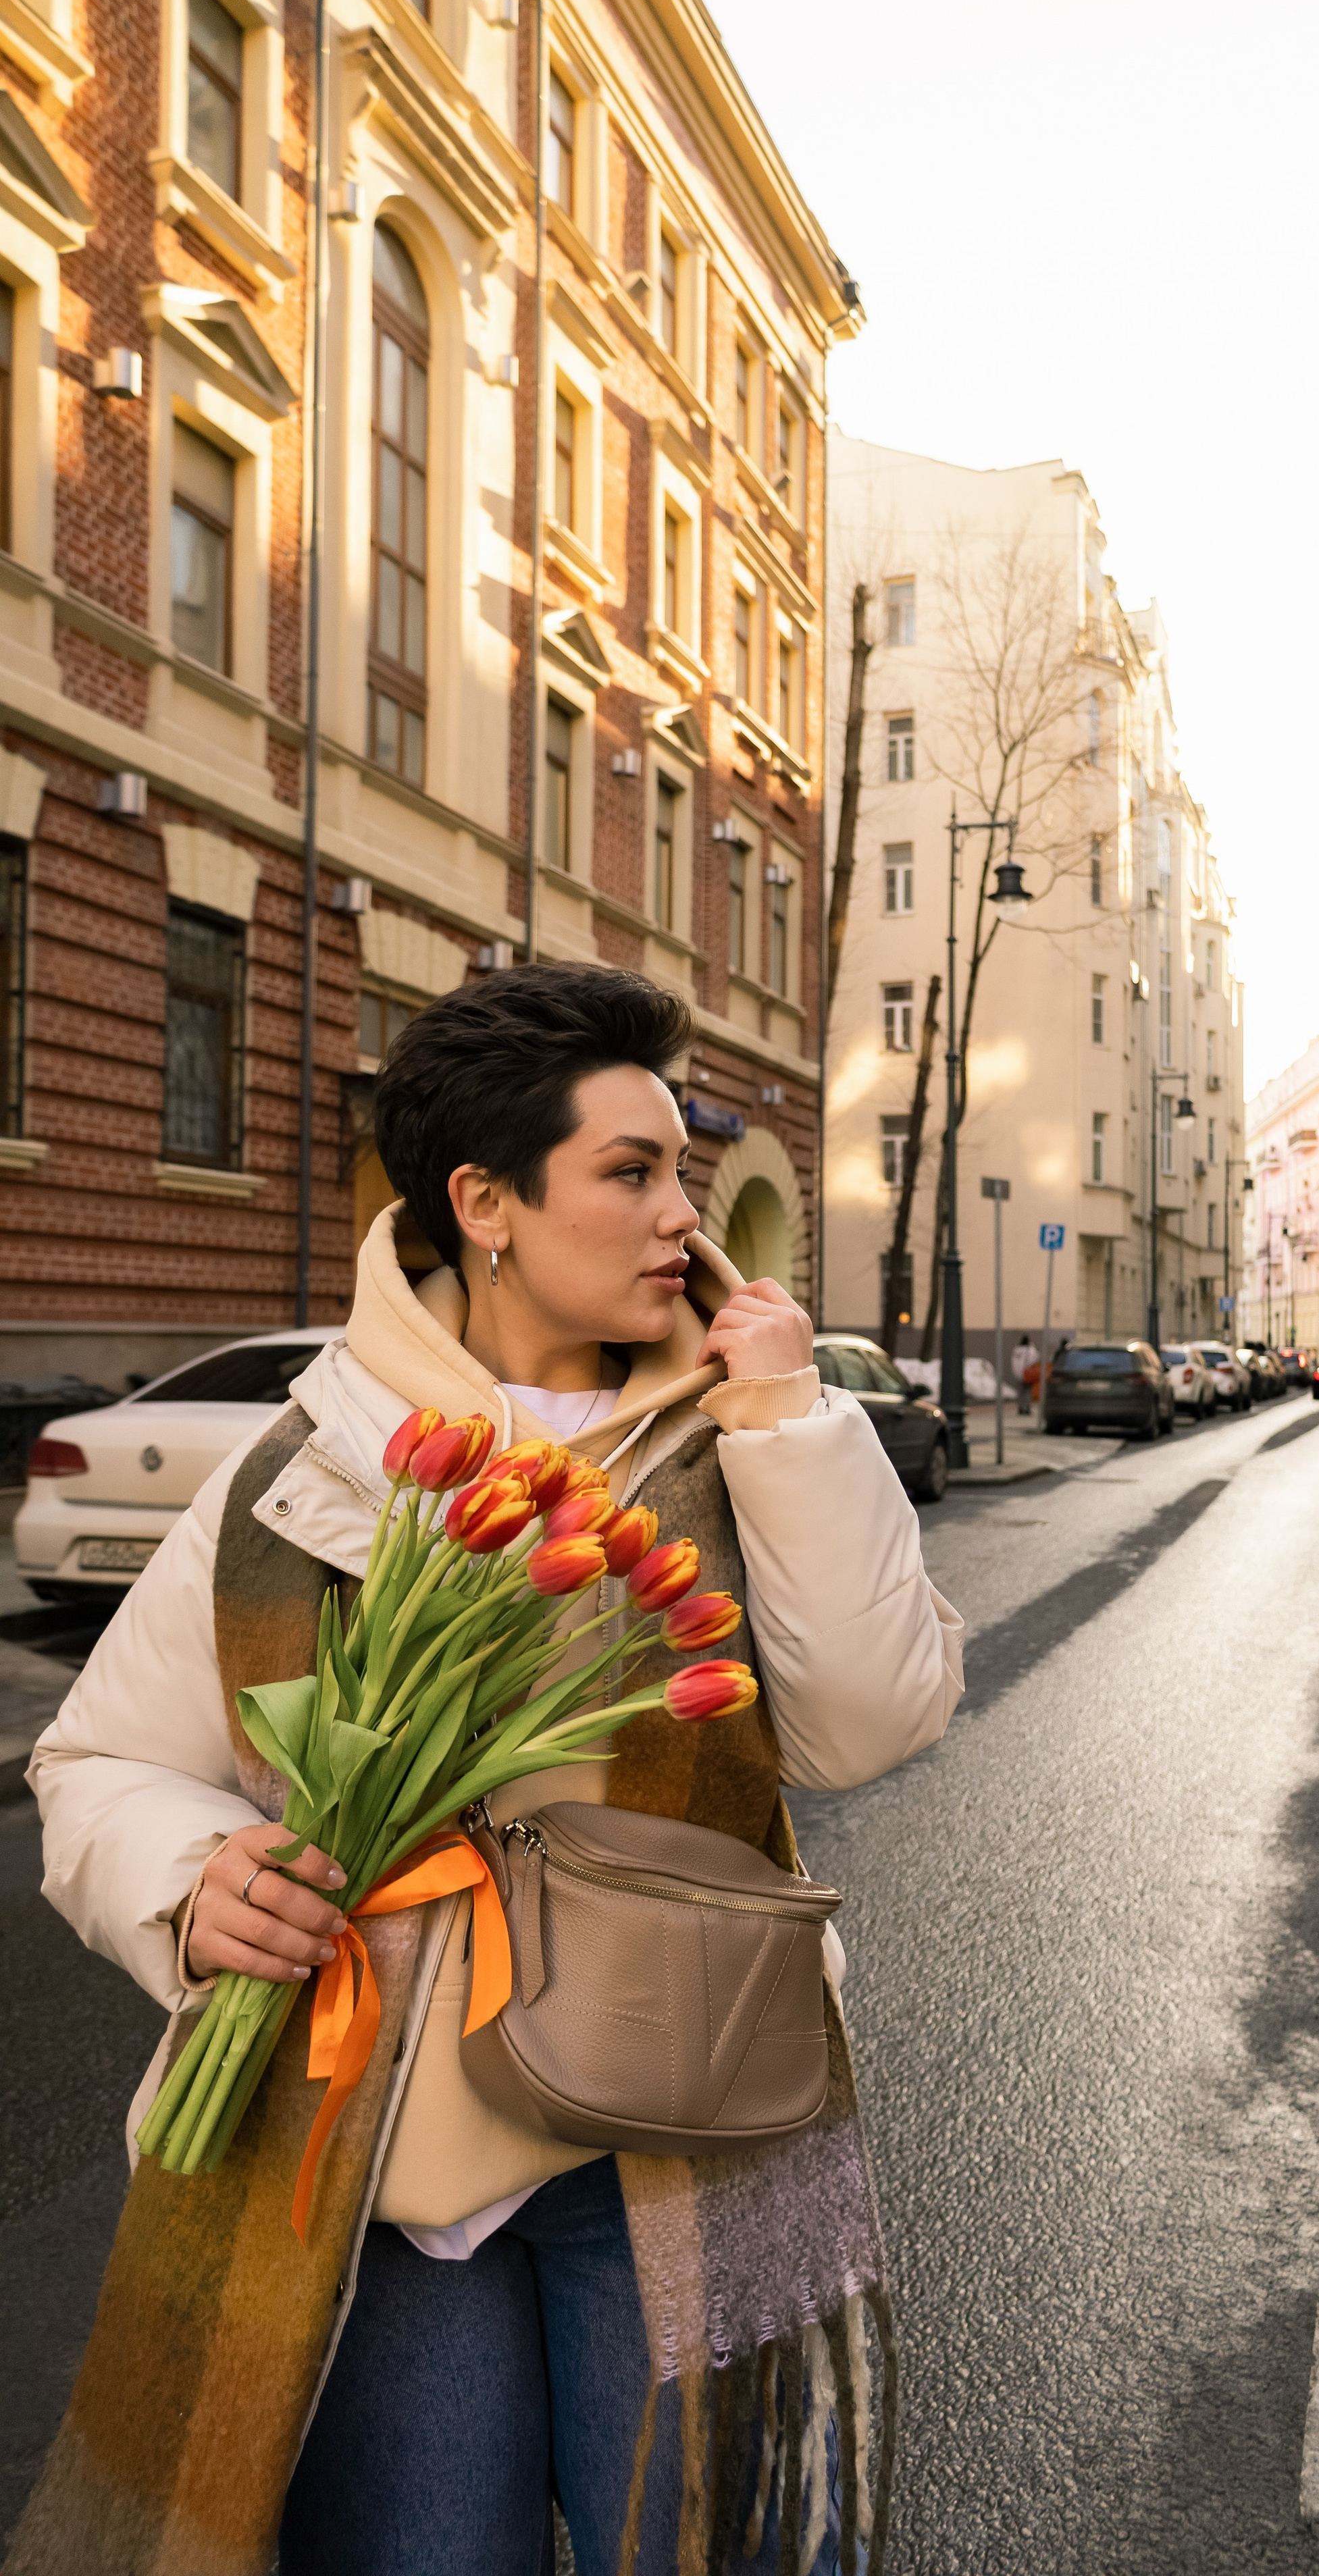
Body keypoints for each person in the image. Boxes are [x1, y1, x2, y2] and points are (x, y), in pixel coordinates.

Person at [20, 965, 963, 2576]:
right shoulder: (307, 1463)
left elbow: (868, 1721)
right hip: (372, 2149)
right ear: (484, 1202)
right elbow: (100, 1756)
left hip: (684, 2115)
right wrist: (192, 1878)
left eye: (682, 1170)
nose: (681, 1212)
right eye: (630, 1168)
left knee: (697, 2545)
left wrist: (790, 1411)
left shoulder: (746, 1434)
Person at [1009, 1335, 1037, 1416]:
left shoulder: (1016, 1350)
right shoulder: (1030, 1350)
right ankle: (1027, 1408)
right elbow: (1035, 1359)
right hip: (1027, 1374)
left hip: (1018, 1374)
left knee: (1020, 1393)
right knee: (1028, 1392)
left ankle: (1020, 1408)